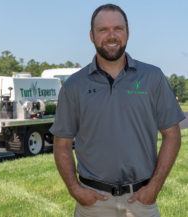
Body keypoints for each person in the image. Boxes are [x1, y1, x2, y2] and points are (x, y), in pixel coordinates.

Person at [50, 3, 185, 217]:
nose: (111, 36)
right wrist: (75, 190)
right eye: (103, 30)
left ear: (128, 33)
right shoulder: (74, 86)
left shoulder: (152, 78)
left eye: (118, 29)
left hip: (141, 201)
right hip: (93, 204)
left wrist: (155, 187)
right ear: (92, 36)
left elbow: (172, 134)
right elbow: (62, 144)